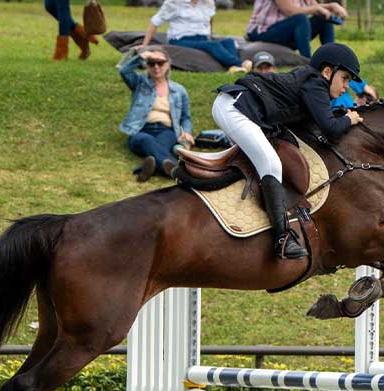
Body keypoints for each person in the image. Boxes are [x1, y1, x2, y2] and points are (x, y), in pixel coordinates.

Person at [212, 43, 363, 259]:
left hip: (240, 107)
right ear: (327, 72)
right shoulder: (315, 85)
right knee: (271, 164)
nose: (346, 86)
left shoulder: (312, 84)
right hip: (234, 108)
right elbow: (330, 128)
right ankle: (282, 238)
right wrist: (349, 119)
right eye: (345, 78)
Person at [120, 49, 194, 182]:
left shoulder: (179, 90)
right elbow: (124, 71)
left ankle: (148, 167)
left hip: (166, 131)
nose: (156, 66)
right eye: (151, 63)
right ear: (146, 65)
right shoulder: (139, 83)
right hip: (140, 130)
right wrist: (141, 56)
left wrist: (187, 132)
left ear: (168, 64)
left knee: (159, 145)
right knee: (147, 140)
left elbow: (185, 117)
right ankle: (176, 169)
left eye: (160, 62)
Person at [140, 0, 252, 72]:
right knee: (212, 46)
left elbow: (210, 19)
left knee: (229, 41)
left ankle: (232, 67)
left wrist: (210, 34)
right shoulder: (173, 2)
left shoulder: (208, 2)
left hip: (203, 38)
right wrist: (145, 45)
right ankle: (241, 64)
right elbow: (155, 22)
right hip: (180, 39)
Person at [246, 0, 348, 58]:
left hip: (284, 32)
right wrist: (317, 9)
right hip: (262, 32)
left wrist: (332, 6)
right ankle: (307, 61)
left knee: (324, 18)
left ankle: (332, 59)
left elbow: (315, 7)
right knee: (300, 19)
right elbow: (289, 11)